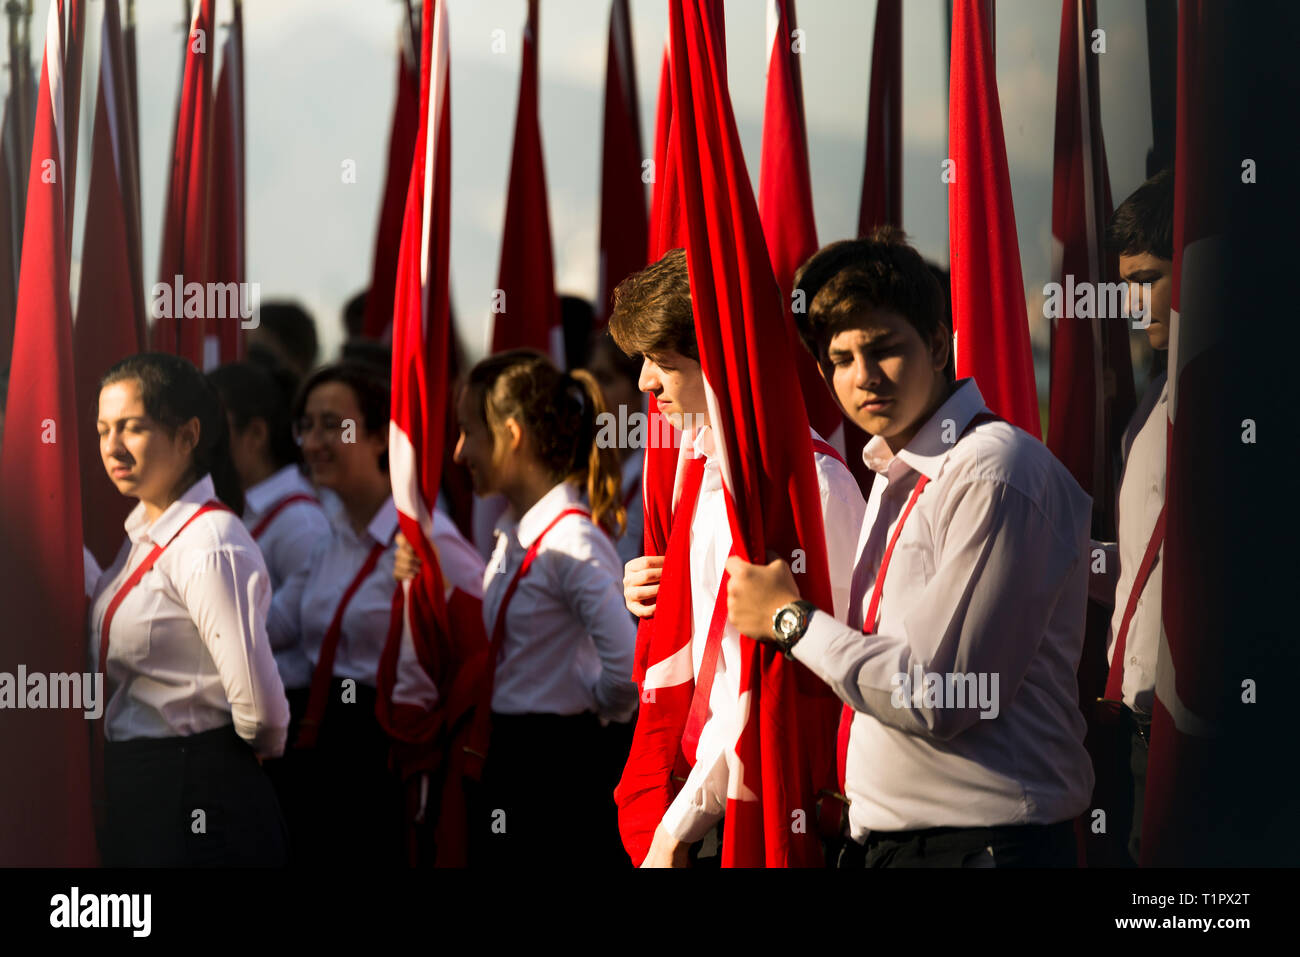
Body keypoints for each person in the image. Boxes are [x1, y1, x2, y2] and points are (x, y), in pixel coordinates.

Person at [724, 228, 1095, 867]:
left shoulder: (992, 471)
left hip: (983, 847)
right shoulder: (896, 469)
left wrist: (790, 622)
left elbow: (945, 695)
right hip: (903, 845)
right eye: (840, 359)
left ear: (938, 343)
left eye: (885, 349)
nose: (864, 377)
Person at [609, 248, 866, 868]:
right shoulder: (697, 474)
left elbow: (794, 682)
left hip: (764, 806)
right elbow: (714, 651)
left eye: (663, 364)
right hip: (701, 797)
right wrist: (662, 593)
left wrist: (680, 826)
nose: (645, 384)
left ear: (723, 362)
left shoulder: (812, 490)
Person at [396, 349, 638, 867]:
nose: (459, 452)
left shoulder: (571, 540)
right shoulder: (517, 530)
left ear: (511, 434)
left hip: (552, 762)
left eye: (469, 432)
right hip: (512, 750)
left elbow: (627, 671)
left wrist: (582, 700)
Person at [90, 352, 289, 866]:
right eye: (103, 430)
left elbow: (264, 716)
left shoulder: (211, 542)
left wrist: (208, 764)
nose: (113, 447)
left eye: (133, 428)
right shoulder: (144, 534)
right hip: (148, 788)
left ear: (187, 436)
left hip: (196, 794)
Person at [1090, 168, 1175, 865]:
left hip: (1188, 725)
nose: (1133, 301)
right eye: (1125, 281)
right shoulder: (1151, 407)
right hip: (1134, 721)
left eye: (1149, 277)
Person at [207, 361, 330, 707]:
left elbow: (291, 625)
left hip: (283, 706)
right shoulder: (238, 506)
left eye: (215, 428)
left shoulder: (300, 521)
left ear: (257, 434)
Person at [586, 329, 646, 569]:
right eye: (591, 379)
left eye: (605, 378)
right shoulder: (582, 477)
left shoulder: (659, 482)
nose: (593, 391)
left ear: (639, 390)